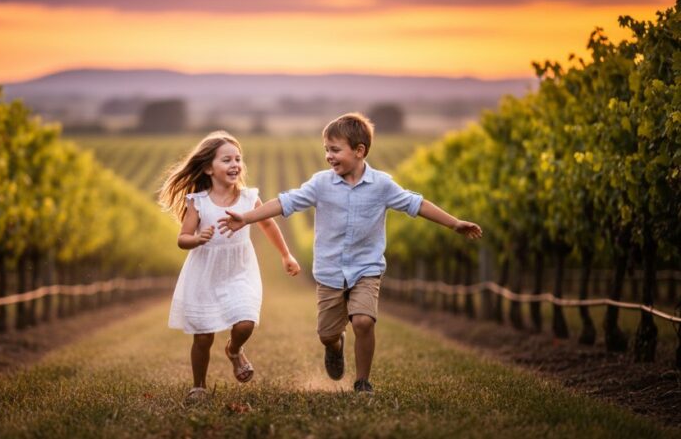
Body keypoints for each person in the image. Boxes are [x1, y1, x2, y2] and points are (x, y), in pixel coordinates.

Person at [218, 113, 482, 395]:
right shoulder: (321, 184)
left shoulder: (382, 185)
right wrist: (246, 218)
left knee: (363, 321)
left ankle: (362, 382)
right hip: (330, 271)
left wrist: (454, 223)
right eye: (326, 150)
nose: (328, 157)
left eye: (335, 150)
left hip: (366, 269)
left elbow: (416, 204)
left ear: (359, 151)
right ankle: (336, 346)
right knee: (327, 334)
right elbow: (285, 203)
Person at [158, 131, 301, 404]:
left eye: (238, 159)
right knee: (202, 336)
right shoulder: (197, 202)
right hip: (205, 273)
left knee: (246, 321)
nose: (235, 164)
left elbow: (268, 224)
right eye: (227, 160)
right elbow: (182, 238)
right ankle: (198, 386)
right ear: (209, 168)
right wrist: (196, 239)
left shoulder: (249, 198)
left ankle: (234, 350)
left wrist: (286, 255)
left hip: (239, 270)